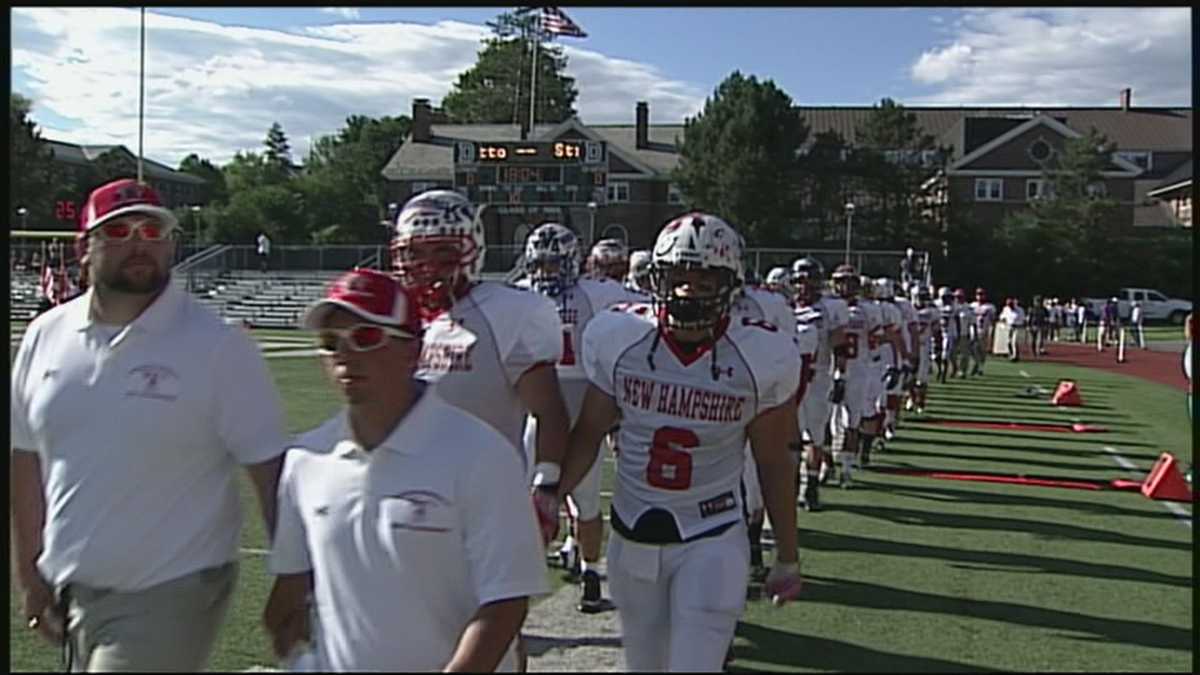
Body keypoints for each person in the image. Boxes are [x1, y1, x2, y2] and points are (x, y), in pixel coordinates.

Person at [11, 178, 288, 672]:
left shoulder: (218, 346)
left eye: (152, 230)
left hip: (172, 587)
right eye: (118, 231)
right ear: (84, 248)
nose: (139, 242)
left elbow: (270, 471)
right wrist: (31, 576)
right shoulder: (45, 336)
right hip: (76, 587)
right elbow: (25, 457)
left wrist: (294, 577)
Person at [263, 269, 548, 671]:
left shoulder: (480, 454)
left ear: (412, 350)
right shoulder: (306, 458)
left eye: (365, 338)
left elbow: (505, 604)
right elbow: (289, 593)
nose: (344, 355)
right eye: (330, 343)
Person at [557, 212, 805, 671]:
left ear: (730, 285)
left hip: (711, 536)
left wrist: (787, 556)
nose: (688, 290)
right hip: (631, 536)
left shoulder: (759, 355)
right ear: (657, 278)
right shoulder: (620, 337)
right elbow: (588, 434)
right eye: (677, 276)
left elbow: (773, 463)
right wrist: (548, 498)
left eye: (704, 279)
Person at [390, 190, 571, 668]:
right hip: (403, 500)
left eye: (442, 251)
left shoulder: (507, 312)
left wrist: (547, 486)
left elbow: (549, 411)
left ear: (472, 250)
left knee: (492, 641)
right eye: (415, 252)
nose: (427, 265)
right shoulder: (391, 316)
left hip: (485, 508)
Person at [516, 223, 631, 614]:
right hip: (547, 403)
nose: (547, 273)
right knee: (530, 497)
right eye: (542, 265)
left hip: (580, 407)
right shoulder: (595, 292)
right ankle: (538, 571)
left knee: (584, 502)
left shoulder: (527, 294)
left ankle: (590, 573)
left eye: (554, 265)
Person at [791, 257, 849, 510]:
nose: (803, 286)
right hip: (789, 381)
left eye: (808, 280)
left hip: (818, 378)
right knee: (790, 437)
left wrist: (840, 376)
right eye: (799, 281)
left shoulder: (830, 308)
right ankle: (791, 483)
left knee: (815, 436)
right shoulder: (784, 308)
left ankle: (811, 486)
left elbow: (840, 346)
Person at [969, 287, 997, 376]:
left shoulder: (990, 307)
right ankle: (976, 363)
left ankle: (980, 367)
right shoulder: (972, 306)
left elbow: (993, 320)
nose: (980, 296)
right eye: (978, 294)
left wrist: (992, 331)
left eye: (981, 294)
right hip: (973, 330)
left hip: (983, 330)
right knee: (972, 348)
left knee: (982, 350)